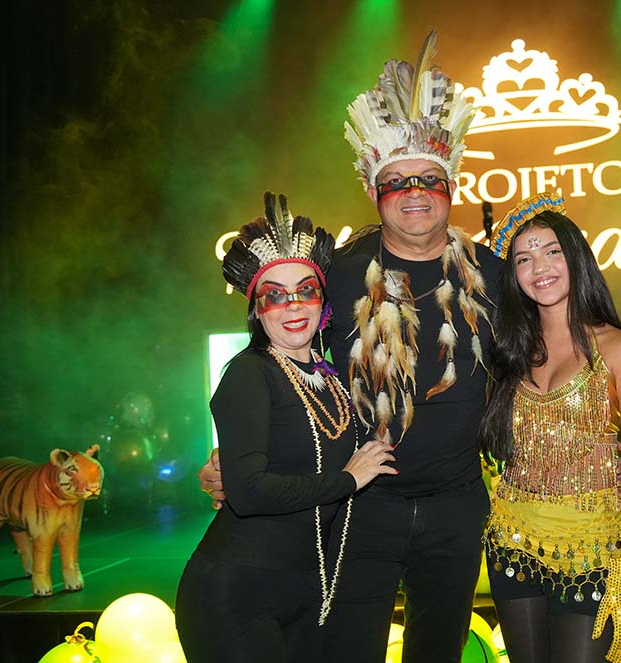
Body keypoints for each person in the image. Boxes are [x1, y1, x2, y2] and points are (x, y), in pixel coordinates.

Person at [200, 32, 500, 662]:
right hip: (360, 505)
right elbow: (281, 361)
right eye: (397, 182)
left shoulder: (494, 276)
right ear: (372, 191)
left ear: (451, 186)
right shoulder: (336, 275)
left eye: (430, 179)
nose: (415, 192)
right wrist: (237, 452)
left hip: (457, 506)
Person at [176, 193, 397, 663]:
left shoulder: (333, 379)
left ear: (323, 301)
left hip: (308, 597)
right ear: (257, 309)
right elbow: (249, 492)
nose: (292, 306)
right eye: (274, 295)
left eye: (305, 291)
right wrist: (347, 479)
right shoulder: (249, 373)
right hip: (236, 599)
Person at [478, 194, 621, 663]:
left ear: (575, 257)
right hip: (512, 549)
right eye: (524, 258)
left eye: (552, 251)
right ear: (513, 276)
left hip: (591, 557)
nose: (540, 267)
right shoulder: (508, 351)